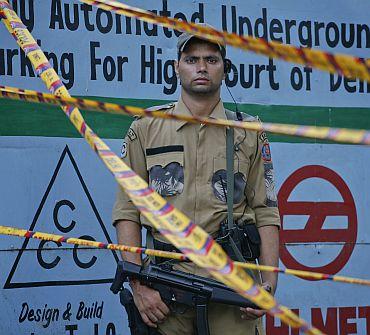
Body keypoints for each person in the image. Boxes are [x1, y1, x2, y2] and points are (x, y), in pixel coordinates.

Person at [113, 26, 280, 335]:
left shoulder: (249, 133)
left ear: (225, 69)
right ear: (177, 67)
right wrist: (138, 286)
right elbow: (128, 211)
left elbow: (266, 210)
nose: (201, 67)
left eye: (211, 59)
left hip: (233, 292)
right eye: (191, 59)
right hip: (165, 291)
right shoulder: (146, 128)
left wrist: (268, 284)